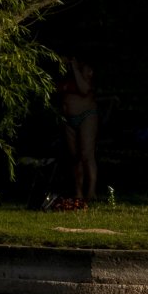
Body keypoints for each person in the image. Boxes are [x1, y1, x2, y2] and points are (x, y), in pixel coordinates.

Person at [55, 55, 100, 206]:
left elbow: (84, 89)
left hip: (86, 115)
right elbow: (56, 88)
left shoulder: (86, 72)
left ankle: (91, 191)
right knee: (75, 156)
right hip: (68, 119)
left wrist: (75, 68)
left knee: (87, 154)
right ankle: (78, 192)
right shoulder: (65, 73)